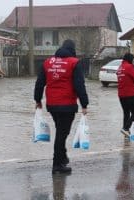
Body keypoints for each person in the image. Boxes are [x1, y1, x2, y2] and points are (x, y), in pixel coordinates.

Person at [34, 39, 89, 174]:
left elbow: (40, 82)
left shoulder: (47, 63)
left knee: (60, 131)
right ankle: (57, 164)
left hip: (52, 104)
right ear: (72, 50)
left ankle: (62, 158)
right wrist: (84, 103)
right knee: (62, 134)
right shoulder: (74, 63)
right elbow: (79, 85)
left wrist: (37, 99)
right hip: (67, 105)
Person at [116, 53, 134, 137]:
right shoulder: (129, 67)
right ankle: (126, 128)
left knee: (126, 113)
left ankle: (126, 131)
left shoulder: (120, 67)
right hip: (130, 94)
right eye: (133, 59)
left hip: (121, 94)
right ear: (130, 59)